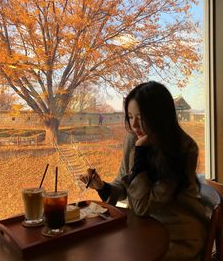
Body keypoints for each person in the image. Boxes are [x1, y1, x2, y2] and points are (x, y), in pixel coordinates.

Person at [80, 81, 208, 261]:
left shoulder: (184, 149)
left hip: (178, 235)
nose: (134, 125)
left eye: (141, 117)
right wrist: (102, 186)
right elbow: (124, 184)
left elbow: (143, 207)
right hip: (143, 229)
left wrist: (140, 154)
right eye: (130, 117)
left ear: (160, 117)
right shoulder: (133, 140)